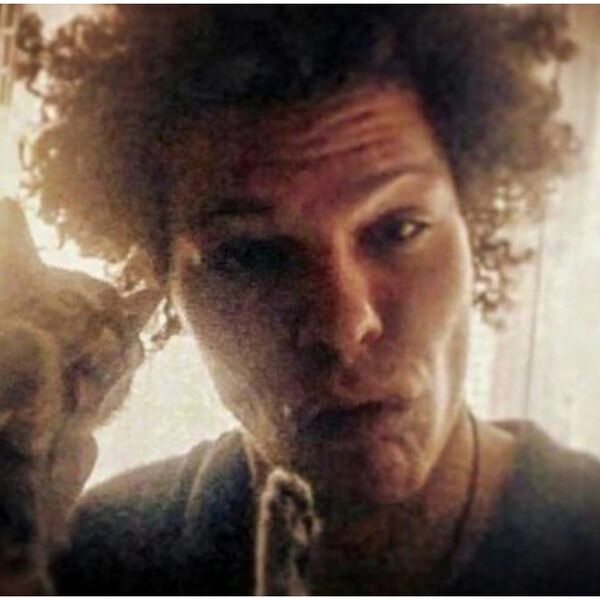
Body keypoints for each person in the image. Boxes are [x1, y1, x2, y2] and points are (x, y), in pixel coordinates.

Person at [2, 5, 600, 595]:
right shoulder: (93, 562)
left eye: (398, 229)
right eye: (251, 256)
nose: (342, 325)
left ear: (474, 224)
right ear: (163, 281)